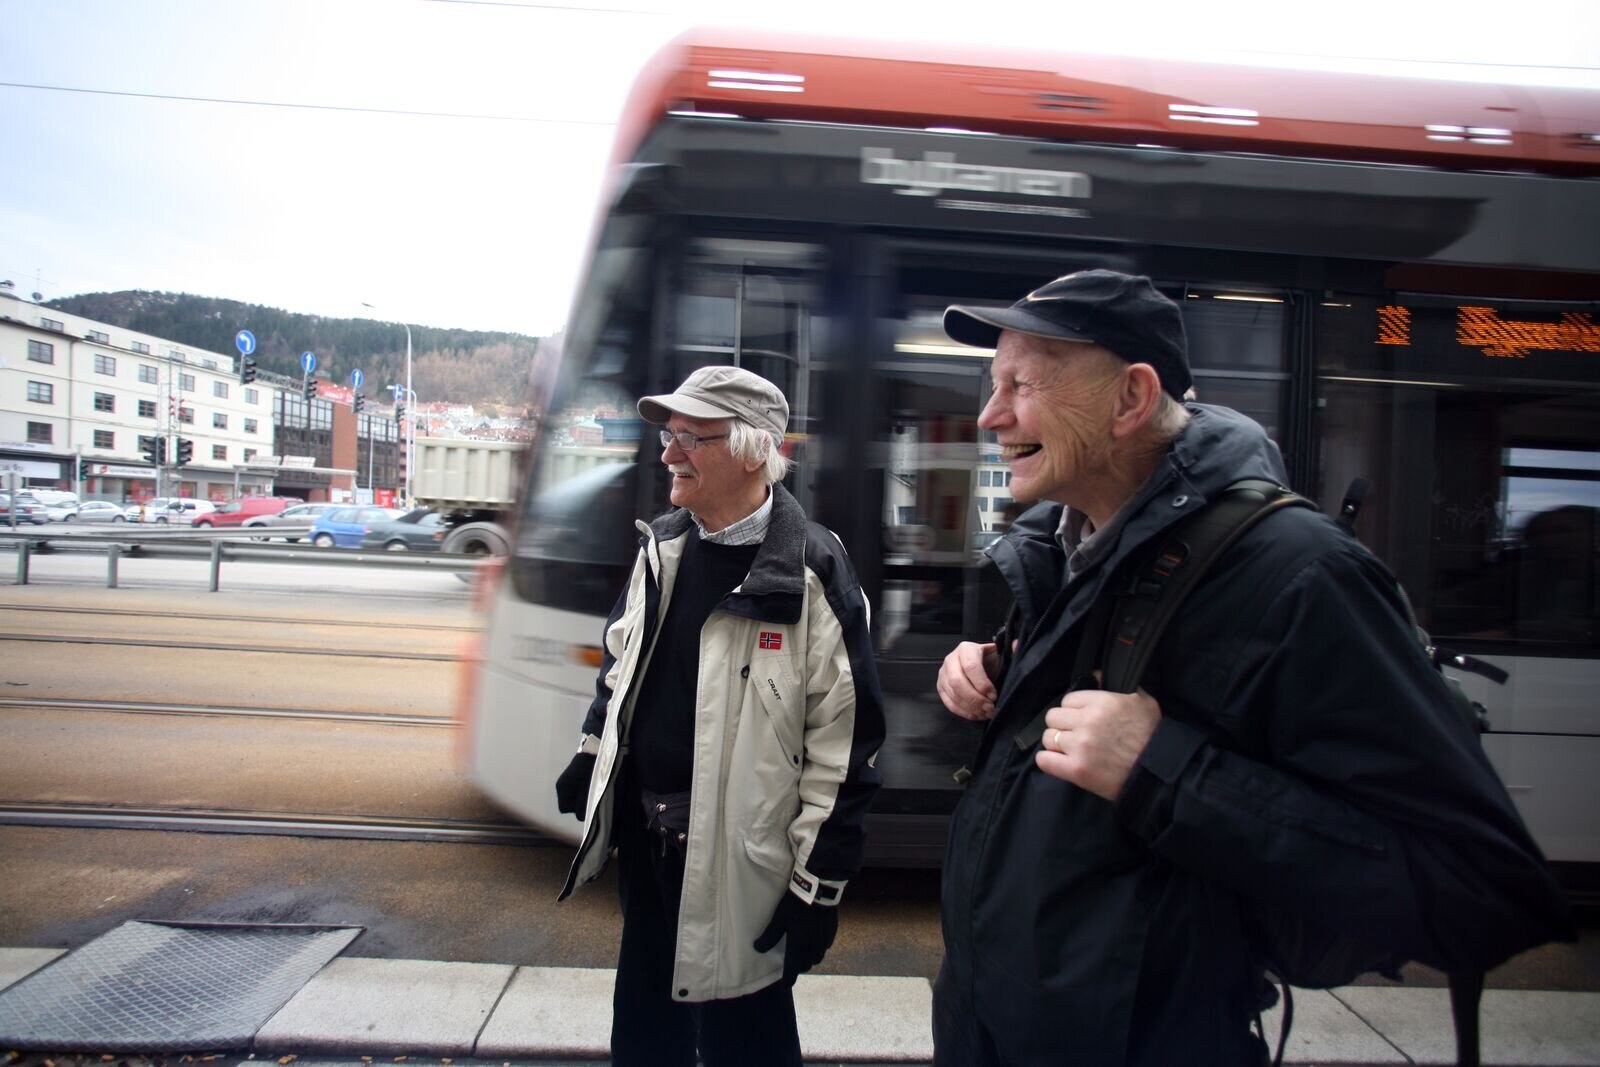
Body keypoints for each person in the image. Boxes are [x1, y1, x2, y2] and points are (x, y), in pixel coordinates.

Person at [931, 270, 1571, 1066]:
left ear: (1131, 399)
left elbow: (1483, 892)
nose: (990, 415)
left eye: (1020, 384)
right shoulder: (1062, 550)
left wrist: (1165, 771)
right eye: (991, 384)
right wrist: (1001, 669)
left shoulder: (1299, 576)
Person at [553, 365, 886, 1067]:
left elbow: (846, 747)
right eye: (669, 436)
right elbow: (620, 659)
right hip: (649, 853)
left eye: (689, 438)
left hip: (747, 875)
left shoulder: (812, 573)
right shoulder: (662, 546)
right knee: (644, 1037)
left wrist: (817, 889)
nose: (668, 452)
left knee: (747, 1044)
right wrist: (592, 750)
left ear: (752, 451)